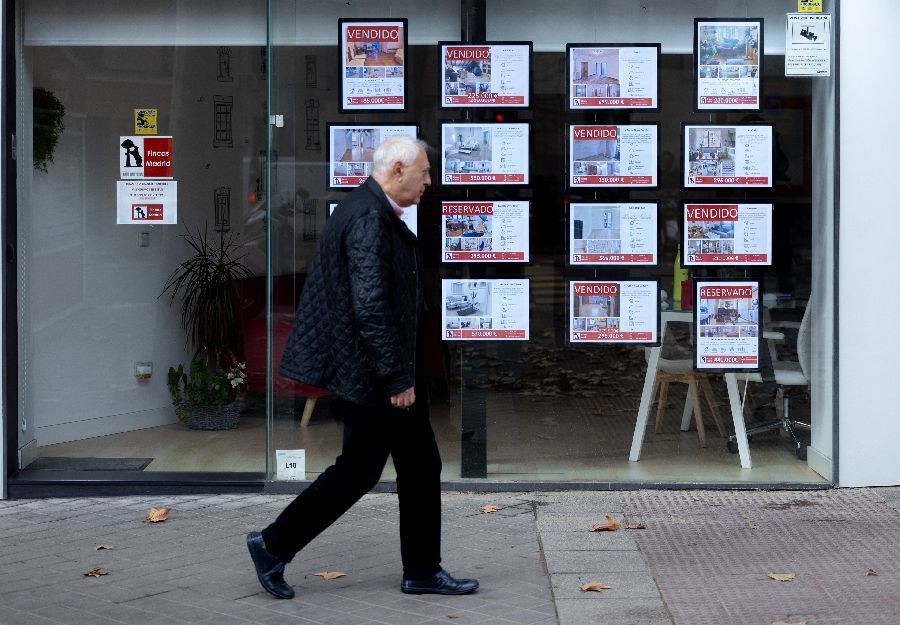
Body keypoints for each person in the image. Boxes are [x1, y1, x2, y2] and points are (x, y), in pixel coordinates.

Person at [246, 136, 479, 600]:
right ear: (397, 170)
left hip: (379, 370)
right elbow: (370, 308)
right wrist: (396, 378)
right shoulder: (369, 218)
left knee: (416, 464)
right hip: (376, 375)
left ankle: (421, 571)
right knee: (359, 469)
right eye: (424, 172)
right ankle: (272, 545)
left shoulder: (368, 209)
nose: (429, 182)